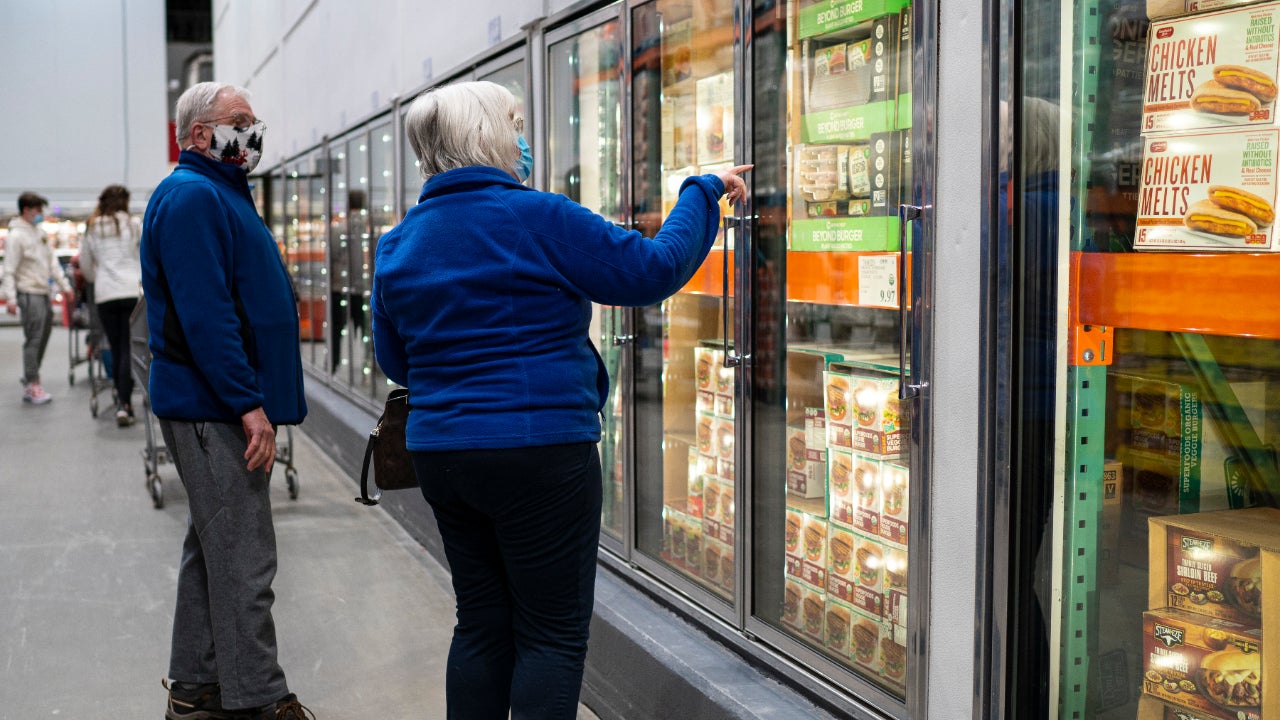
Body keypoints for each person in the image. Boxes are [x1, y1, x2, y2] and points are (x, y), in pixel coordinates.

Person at [372, 79, 749, 720]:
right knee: (550, 633)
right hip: (540, 453)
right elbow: (652, 270)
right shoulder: (540, 217)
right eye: (515, 126)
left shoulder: (398, 244)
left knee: (482, 624)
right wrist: (702, 189)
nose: (522, 141)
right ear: (487, 137)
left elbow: (395, 359)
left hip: (443, 456)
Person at [141, 81, 313, 720]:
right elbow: (205, 314)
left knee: (212, 547)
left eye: (253, 119)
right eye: (238, 121)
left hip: (218, 401)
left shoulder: (218, 193)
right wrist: (247, 402)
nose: (253, 131)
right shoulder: (191, 199)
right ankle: (261, 700)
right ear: (199, 135)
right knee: (244, 559)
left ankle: (195, 688)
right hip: (212, 405)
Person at [79, 184, 143, 426]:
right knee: (130, 347)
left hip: (105, 295)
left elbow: (86, 265)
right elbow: (143, 258)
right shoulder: (134, 224)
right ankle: (125, 404)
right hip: (130, 292)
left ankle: (120, 398)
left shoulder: (93, 226)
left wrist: (100, 279)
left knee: (116, 348)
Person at [3, 191, 73, 405]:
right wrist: (11, 299)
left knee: (43, 335)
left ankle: (32, 376)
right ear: (26, 209)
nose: (41, 214)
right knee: (34, 338)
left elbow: (52, 263)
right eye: (38, 210)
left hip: (42, 292)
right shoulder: (16, 236)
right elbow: (9, 269)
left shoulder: (39, 233)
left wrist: (65, 285)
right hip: (28, 292)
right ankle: (31, 382)